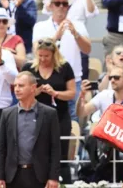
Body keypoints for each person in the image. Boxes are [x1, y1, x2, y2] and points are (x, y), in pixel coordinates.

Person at [33, 0, 91, 122]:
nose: (61, 7)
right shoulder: (40, 26)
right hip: (47, 80)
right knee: (45, 121)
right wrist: (56, 36)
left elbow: (87, 50)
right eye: (57, 3)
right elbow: (36, 50)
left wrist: (76, 34)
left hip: (73, 80)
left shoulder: (78, 25)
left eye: (64, 3)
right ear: (50, 6)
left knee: (73, 121)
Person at [22, 38, 75, 184]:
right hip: (34, 116)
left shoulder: (64, 68)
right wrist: (36, 92)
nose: (43, 59)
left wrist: (56, 93)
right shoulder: (29, 68)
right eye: (40, 56)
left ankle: (65, 182)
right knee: (35, 151)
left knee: (61, 152)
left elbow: (71, 93)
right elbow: (20, 92)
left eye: (46, 56)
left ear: (53, 55)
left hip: (60, 116)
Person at [0, 71, 61, 188]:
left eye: (21, 86)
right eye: (15, 86)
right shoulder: (6, 113)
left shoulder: (49, 113)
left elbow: (55, 147)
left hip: (40, 176)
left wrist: (53, 177)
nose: (17, 89)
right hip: (12, 177)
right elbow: (0, 147)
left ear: (33, 88)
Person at [76, 65, 123, 182]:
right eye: (111, 77)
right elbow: (82, 112)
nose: (112, 80)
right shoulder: (104, 95)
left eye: (116, 77)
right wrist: (81, 96)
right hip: (102, 143)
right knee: (92, 136)